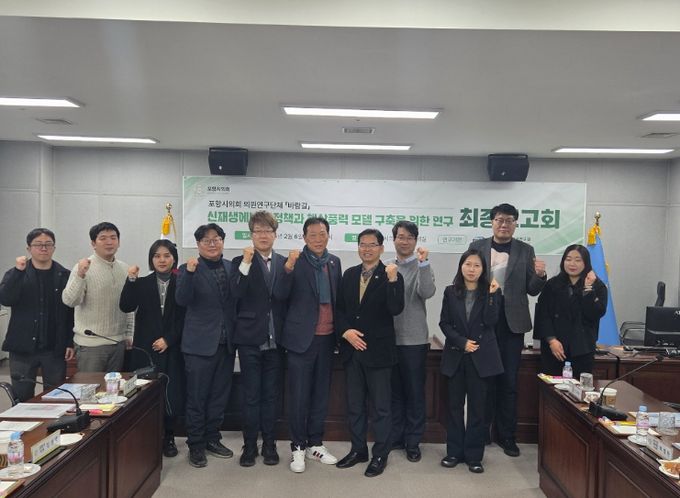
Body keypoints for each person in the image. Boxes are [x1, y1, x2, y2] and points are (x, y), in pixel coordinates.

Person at [469, 203, 546, 457]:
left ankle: (507, 436)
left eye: (509, 220)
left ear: (515, 224)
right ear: (492, 222)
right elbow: (468, 280)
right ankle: (482, 433)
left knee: (509, 381)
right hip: (483, 321)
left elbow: (532, 289)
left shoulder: (525, 250)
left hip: (512, 324)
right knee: (484, 380)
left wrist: (540, 276)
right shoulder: (477, 247)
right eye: (500, 220)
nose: (504, 224)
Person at [274, 217, 342, 473]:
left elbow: (338, 299)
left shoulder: (334, 262)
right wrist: (288, 268)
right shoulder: (294, 262)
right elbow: (280, 295)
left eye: (322, 234)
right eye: (312, 235)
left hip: (327, 338)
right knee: (299, 396)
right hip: (301, 340)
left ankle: (315, 443)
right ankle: (298, 446)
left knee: (320, 395)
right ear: (304, 238)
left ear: (328, 236)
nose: (318, 239)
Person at [335, 229, 404, 478]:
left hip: (379, 352)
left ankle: (380, 455)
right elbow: (339, 309)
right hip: (352, 351)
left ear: (381, 248)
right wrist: (345, 332)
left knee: (381, 408)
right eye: (362, 244)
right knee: (355, 406)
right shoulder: (349, 274)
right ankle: (358, 450)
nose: (367, 249)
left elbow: (396, 308)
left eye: (372, 245)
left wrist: (393, 281)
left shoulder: (392, 274)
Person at [175, 223, 236, 468]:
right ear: (198, 244)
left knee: (219, 397)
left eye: (216, 239)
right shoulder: (187, 268)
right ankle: (196, 444)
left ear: (223, 241)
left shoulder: (232, 267)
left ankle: (212, 438)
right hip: (199, 345)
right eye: (206, 240)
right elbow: (182, 299)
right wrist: (190, 274)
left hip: (226, 344)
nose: (212, 244)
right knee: (197, 398)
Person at [119, 239, 186, 458]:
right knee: (146, 394)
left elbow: (185, 317)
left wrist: (168, 339)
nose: (162, 260)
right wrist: (130, 280)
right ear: (151, 259)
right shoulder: (141, 283)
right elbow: (126, 305)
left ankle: (169, 437)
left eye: (166, 255)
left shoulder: (182, 282)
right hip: (146, 349)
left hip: (173, 347)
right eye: (157, 256)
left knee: (171, 394)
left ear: (174, 258)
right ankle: (148, 437)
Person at [230, 211, 287, 467]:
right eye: (258, 231)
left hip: (277, 340)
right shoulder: (240, 261)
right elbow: (236, 292)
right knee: (251, 396)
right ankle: (250, 445)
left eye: (268, 231)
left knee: (271, 396)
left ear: (275, 234)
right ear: (251, 235)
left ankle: (270, 445)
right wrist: (246, 262)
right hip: (250, 339)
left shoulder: (284, 262)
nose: (263, 235)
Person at [439, 249, 503, 474]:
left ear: (483, 269)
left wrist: (493, 296)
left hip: (481, 357)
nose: (472, 269)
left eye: (477, 265)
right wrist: (462, 342)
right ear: (461, 266)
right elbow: (444, 323)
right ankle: (454, 452)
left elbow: (491, 321)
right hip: (456, 355)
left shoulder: (491, 291)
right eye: (468, 264)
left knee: (478, 409)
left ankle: (474, 456)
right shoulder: (450, 291)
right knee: (454, 407)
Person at [0, 228, 74, 401]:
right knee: (22, 398)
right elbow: (6, 299)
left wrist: (69, 342)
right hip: (22, 347)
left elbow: (70, 312)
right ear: (29, 248)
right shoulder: (16, 273)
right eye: (38, 244)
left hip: (54, 348)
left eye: (48, 244)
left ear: (54, 248)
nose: (43, 248)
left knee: (56, 397)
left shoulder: (64, 275)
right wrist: (18, 272)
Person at [386, 221, 435, 462]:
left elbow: (427, 292)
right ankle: (397, 436)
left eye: (409, 237)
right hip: (389, 340)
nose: (404, 241)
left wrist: (424, 264)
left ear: (415, 241)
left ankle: (413, 441)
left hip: (414, 341)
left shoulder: (422, 266)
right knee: (394, 393)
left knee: (415, 394)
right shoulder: (386, 267)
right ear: (393, 239)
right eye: (400, 237)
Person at [62, 222, 133, 372]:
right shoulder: (83, 267)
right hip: (90, 346)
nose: (109, 242)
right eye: (103, 238)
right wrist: (80, 275)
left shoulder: (125, 268)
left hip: (118, 343)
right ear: (93, 243)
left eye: (113, 237)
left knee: (115, 387)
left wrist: (129, 334)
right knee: (90, 386)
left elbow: (130, 306)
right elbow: (70, 301)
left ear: (119, 242)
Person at [534, 244, 608, 378]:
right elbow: (543, 314)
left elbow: (596, 313)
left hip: (582, 348)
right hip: (554, 348)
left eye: (578, 260)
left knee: (579, 387)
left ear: (586, 263)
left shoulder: (597, 286)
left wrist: (588, 289)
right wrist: (552, 340)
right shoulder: (552, 284)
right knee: (551, 386)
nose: (572, 264)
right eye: (568, 259)